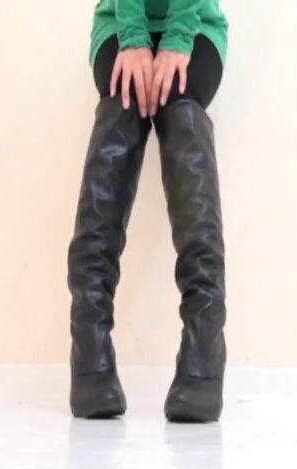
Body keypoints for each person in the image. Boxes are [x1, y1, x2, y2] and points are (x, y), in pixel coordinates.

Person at [67, 0, 228, 423]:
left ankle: (204, 348)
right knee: (124, 98)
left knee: (180, 99)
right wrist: (133, 39)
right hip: (120, 22)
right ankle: (90, 349)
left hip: (196, 25)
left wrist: (178, 37)